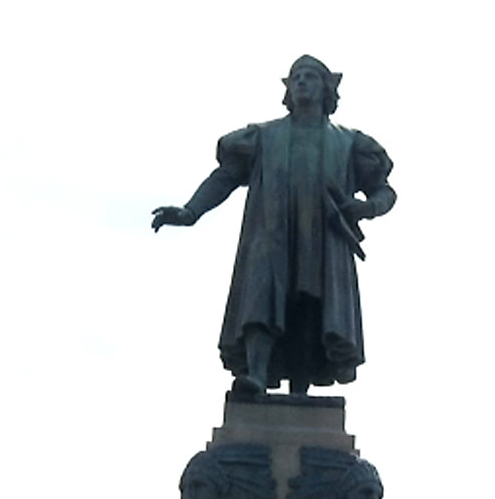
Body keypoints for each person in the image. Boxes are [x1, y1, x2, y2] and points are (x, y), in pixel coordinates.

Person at [152, 55, 396, 395]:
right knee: (262, 297)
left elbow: (384, 190)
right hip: (271, 233)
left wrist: (367, 207)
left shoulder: (350, 142)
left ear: (326, 89)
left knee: (311, 305)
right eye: (296, 77)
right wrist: (190, 211)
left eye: (309, 76)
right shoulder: (263, 136)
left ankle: (300, 394)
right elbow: (225, 177)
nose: (301, 83)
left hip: (322, 239)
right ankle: (256, 373)